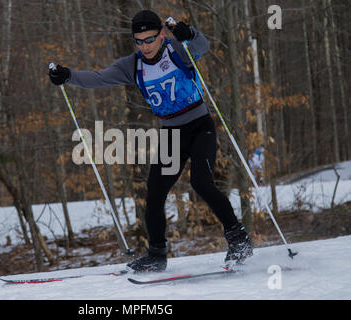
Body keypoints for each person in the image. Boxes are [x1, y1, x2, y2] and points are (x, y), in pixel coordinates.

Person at [49, 10, 253, 272]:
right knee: (154, 193)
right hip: (171, 134)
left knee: (201, 182)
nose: (145, 46)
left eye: (150, 39)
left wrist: (189, 34)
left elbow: (203, 46)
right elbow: (98, 78)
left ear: (162, 34)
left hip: (199, 127)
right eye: (139, 41)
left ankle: (239, 240)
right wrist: (67, 76)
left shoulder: (177, 49)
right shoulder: (132, 65)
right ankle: (157, 254)